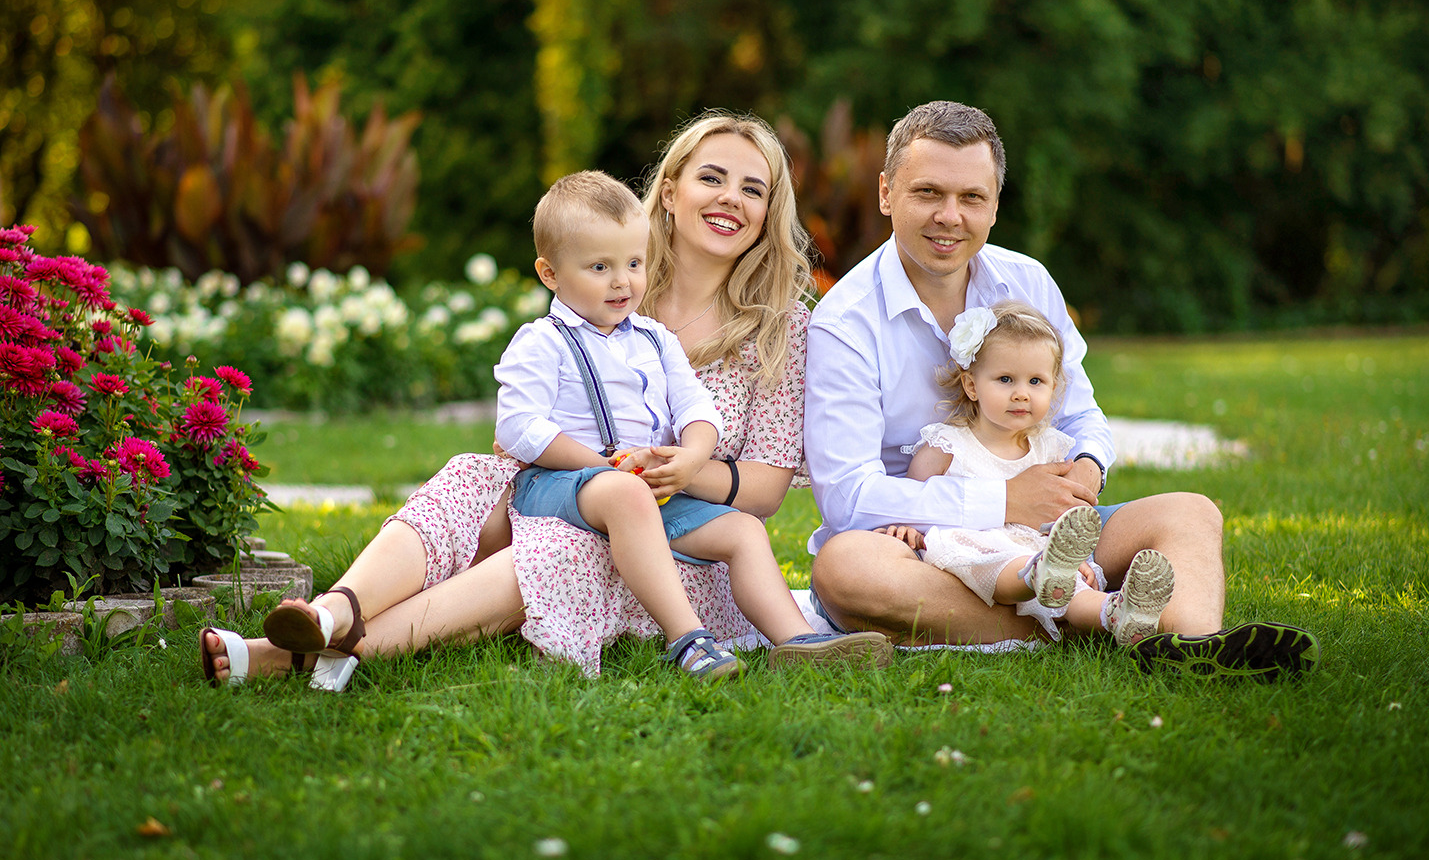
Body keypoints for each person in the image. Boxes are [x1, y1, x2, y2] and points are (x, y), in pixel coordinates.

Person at [199, 110, 893, 688]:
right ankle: (335, 609)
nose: (729, 198)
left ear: (769, 210)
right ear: (672, 191)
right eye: (711, 177)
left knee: (568, 546)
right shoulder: (610, 276)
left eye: (752, 187)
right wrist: (575, 459)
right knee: (476, 473)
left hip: (683, 545)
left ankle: (289, 657)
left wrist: (676, 470)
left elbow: (768, 488)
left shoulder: (783, 325)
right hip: (568, 484)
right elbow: (526, 419)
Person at [803, 99, 1319, 679]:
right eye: (927, 193)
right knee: (843, 569)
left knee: (1191, 512)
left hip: (1050, 536)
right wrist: (1002, 501)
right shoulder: (845, 322)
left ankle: (1193, 647)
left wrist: (1088, 467)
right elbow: (848, 498)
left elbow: (1080, 415)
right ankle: (1098, 621)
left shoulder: (1026, 281)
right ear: (886, 194)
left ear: (995, 205)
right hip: (925, 550)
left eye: (971, 197)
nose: (950, 215)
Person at [875, 299, 1174, 647]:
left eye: (1035, 381)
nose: (1021, 393)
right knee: (1002, 560)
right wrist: (904, 528)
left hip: (1040, 550)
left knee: (1069, 588)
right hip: (973, 551)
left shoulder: (1052, 450)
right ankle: (1039, 574)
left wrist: (1076, 558)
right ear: (972, 386)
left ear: (1054, 388)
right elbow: (914, 500)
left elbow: (1063, 518)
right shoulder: (947, 446)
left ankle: (1115, 612)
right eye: (1005, 379)